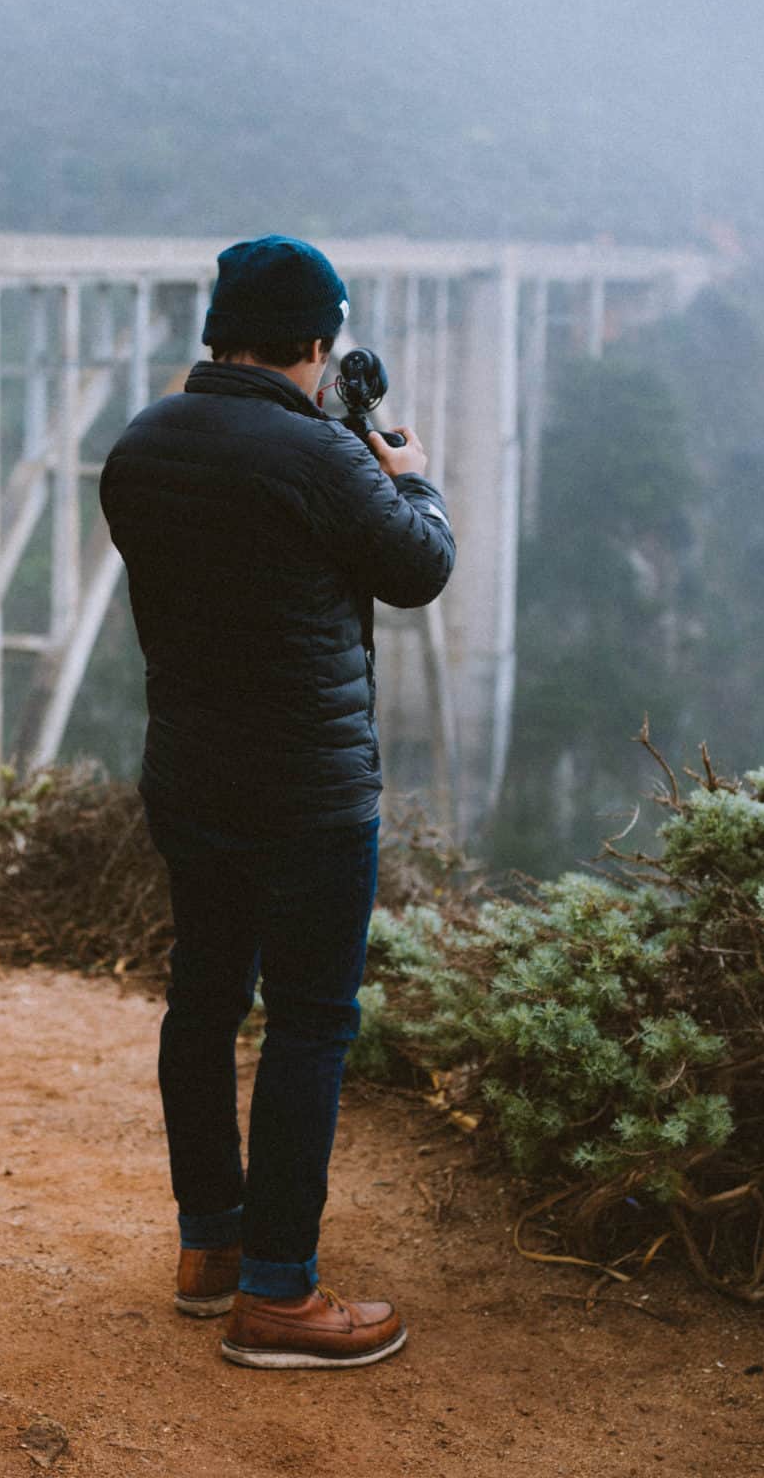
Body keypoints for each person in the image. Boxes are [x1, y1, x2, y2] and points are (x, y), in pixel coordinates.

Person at [98, 233, 456, 1369]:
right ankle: (281, 1297)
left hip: (190, 778)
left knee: (201, 1004)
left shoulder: (143, 444)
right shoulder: (325, 457)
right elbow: (417, 568)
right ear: (315, 341)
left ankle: (211, 1247)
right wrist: (409, 474)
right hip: (308, 792)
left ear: (220, 331)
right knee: (311, 1022)